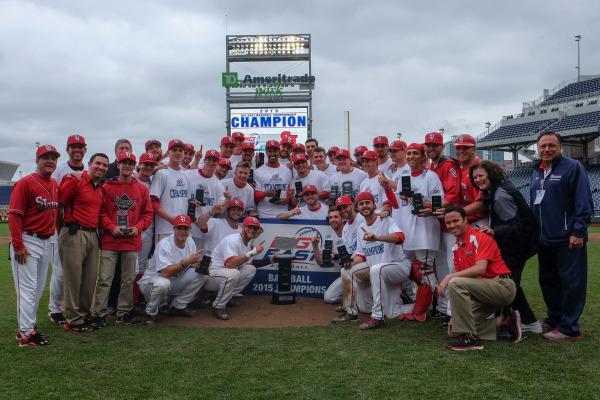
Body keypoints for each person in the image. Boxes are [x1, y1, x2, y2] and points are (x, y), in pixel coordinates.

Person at [530, 131, 593, 342]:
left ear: (560, 147)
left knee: (571, 283)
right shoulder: (536, 171)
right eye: (543, 146)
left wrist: (578, 231)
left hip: (567, 238)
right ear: (538, 149)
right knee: (548, 281)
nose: (546, 149)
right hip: (544, 239)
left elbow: (583, 202)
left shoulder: (573, 168)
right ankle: (554, 318)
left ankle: (569, 328)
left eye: (551, 146)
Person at [470, 160, 541, 334]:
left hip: (518, 246)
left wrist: (494, 231)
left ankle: (528, 321)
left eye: (481, 176)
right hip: (519, 244)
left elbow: (516, 224)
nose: (478, 180)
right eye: (475, 177)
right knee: (509, 283)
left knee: (508, 285)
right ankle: (521, 319)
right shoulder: (498, 189)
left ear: (491, 174)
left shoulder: (500, 194)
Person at [437, 206, 516, 351]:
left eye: (456, 220)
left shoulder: (480, 236)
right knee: (455, 328)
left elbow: (480, 269)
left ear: (466, 220)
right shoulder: (456, 248)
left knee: (454, 282)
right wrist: (457, 316)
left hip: (502, 285)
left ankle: (472, 340)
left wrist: (448, 276)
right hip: (483, 291)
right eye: (448, 223)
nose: (452, 225)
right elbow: (467, 283)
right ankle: (504, 322)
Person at [332, 192, 409, 330]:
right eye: (361, 204)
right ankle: (351, 312)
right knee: (347, 272)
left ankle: (377, 318)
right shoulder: (362, 230)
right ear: (357, 207)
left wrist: (378, 237)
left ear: (374, 205)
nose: (365, 206)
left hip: (398, 266)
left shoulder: (385, 220)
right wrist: (351, 261)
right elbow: (361, 256)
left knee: (376, 269)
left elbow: (400, 237)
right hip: (378, 271)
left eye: (368, 202)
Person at [92, 152, 153, 326]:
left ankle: (124, 313)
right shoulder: (107, 187)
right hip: (111, 240)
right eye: (124, 163)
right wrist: (112, 227)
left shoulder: (142, 189)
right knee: (105, 279)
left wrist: (138, 228)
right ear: (117, 165)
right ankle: (99, 314)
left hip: (131, 240)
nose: (127, 166)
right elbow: (101, 212)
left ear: (135, 166)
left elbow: (147, 214)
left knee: (127, 279)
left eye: (130, 163)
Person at [9, 144, 60, 346]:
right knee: (28, 290)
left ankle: (26, 327)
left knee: (38, 289)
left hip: (46, 241)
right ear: (37, 161)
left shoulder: (54, 185)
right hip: (28, 240)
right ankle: (26, 333)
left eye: (53, 158)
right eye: (45, 157)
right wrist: (18, 245)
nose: (50, 161)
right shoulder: (25, 183)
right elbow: (14, 215)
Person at [389, 143, 444, 322]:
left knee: (425, 271)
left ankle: (435, 307)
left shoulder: (431, 176)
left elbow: (439, 203)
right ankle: (425, 303)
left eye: (415, 153)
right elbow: (397, 204)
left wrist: (419, 201)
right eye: (410, 153)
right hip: (408, 231)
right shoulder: (404, 175)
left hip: (425, 231)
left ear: (423, 156)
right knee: (411, 270)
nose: (411, 156)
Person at [58, 153, 108, 333]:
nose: (101, 167)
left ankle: (84, 314)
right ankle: (72, 319)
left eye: (105, 165)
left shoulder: (99, 188)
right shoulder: (75, 180)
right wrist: (60, 232)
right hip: (74, 232)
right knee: (73, 278)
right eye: (98, 163)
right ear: (89, 164)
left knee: (89, 279)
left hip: (92, 234)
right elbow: (59, 206)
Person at [48, 133, 89, 326]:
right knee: (59, 271)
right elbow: (56, 202)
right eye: (73, 147)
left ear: (85, 150)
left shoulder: (88, 170)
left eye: (80, 147)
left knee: (75, 272)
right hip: (61, 226)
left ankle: (71, 306)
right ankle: (55, 310)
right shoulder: (60, 170)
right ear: (67, 150)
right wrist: (57, 229)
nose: (77, 150)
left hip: (79, 228)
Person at [138, 214, 208, 323]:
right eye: (179, 228)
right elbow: (165, 273)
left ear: (190, 229)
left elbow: (191, 266)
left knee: (202, 274)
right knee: (163, 284)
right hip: (150, 283)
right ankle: (150, 313)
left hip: (171, 281)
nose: (182, 231)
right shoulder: (164, 244)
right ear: (174, 229)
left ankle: (178, 305)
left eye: (185, 228)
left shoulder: (190, 242)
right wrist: (187, 262)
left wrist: (200, 264)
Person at [425, 131, 461, 320]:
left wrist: (430, 207)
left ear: (441, 147)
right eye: (428, 145)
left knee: (451, 265)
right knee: (441, 266)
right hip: (439, 224)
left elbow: (453, 195)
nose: (431, 148)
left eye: (434, 145)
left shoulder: (448, 165)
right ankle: (444, 306)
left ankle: (453, 310)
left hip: (451, 225)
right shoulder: (433, 166)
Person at [205, 217, 267, 320]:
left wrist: (271, 260)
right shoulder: (233, 240)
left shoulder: (247, 243)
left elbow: (247, 263)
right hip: (211, 275)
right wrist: (253, 252)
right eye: (249, 227)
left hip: (223, 275)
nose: (252, 230)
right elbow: (230, 264)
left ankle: (226, 298)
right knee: (234, 273)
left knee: (250, 269)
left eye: (255, 228)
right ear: (243, 227)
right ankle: (218, 306)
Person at [149, 139, 189, 243]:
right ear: (169, 153)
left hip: (182, 228)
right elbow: (153, 202)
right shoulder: (161, 173)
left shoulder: (185, 175)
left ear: (184, 153)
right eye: (174, 150)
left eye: (180, 150)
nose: (177, 153)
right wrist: (171, 219)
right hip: (164, 229)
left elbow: (185, 200)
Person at [186, 149, 226, 249]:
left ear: (218, 163)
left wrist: (218, 207)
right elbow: (180, 195)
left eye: (214, 160)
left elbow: (220, 207)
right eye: (209, 159)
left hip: (203, 229)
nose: (211, 163)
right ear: (204, 160)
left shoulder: (218, 184)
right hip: (187, 226)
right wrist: (188, 200)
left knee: (197, 261)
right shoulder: (189, 174)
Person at [313, 207, 346, 304]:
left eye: (336, 217)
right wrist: (315, 246)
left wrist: (336, 256)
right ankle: (353, 299)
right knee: (329, 297)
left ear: (342, 218)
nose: (332, 220)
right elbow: (321, 262)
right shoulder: (330, 238)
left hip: (358, 272)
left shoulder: (350, 232)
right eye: (330, 217)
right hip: (345, 275)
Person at [454, 134, 488, 226]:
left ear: (474, 149)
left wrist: (456, 214)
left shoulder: (480, 169)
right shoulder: (459, 167)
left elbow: (482, 203)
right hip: (466, 219)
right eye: (458, 148)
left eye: (465, 147)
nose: (461, 150)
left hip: (480, 221)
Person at [253, 140, 292, 218]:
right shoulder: (258, 171)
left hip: (283, 213)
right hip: (264, 214)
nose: (272, 154)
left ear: (278, 152)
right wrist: (265, 194)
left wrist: (287, 200)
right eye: (270, 151)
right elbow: (255, 196)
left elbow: (290, 191)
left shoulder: (287, 171)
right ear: (266, 152)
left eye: (275, 151)